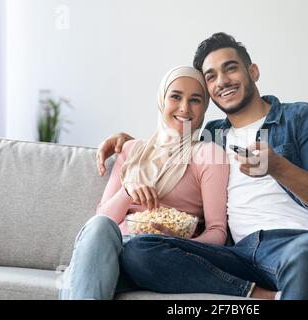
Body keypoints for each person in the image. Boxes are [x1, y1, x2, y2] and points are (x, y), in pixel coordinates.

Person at [97, 33, 308, 300]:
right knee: (139, 250)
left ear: (253, 71)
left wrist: (279, 167)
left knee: (303, 257)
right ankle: (259, 294)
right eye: (211, 77)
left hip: (305, 242)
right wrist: (128, 142)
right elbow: (169, 141)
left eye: (230, 68)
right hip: (241, 254)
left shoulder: (304, 117)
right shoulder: (212, 137)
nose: (222, 80)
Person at [59, 66, 231, 300]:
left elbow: (217, 232)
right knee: (98, 229)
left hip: (157, 255)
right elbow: (102, 219)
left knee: (77, 278)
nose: (184, 108)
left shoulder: (208, 155)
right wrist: (129, 191)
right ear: (162, 100)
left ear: (205, 108)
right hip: (110, 249)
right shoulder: (131, 150)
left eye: (195, 100)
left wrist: (180, 244)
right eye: (176, 96)